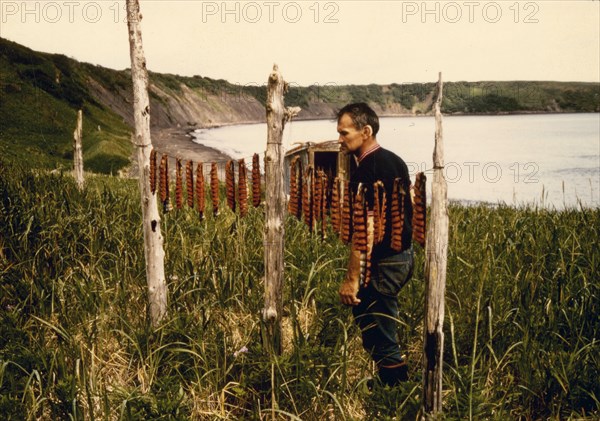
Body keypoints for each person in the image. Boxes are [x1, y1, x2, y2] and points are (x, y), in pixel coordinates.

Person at [336, 102, 414, 387]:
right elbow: (411, 207)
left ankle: (396, 392)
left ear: (365, 131)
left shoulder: (366, 171)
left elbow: (364, 231)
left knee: (380, 330)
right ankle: (387, 380)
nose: (340, 139)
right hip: (404, 256)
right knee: (371, 320)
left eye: (345, 133)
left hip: (384, 262)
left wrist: (351, 280)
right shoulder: (396, 160)